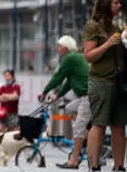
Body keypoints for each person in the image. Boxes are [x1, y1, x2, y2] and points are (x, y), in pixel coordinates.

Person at [83, 0, 127, 172]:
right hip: (101, 81)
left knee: (119, 125)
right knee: (99, 123)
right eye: (115, 3)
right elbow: (89, 56)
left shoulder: (115, 27)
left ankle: (119, 165)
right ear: (106, 5)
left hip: (119, 81)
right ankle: (93, 165)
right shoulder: (93, 26)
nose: (119, 6)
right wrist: (108, 44)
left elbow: (123, 54)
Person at [39, 36, 90, 170]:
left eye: (59, 46)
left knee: (78, 129)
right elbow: (68, 82)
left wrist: (45, 92)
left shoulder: (70, 58)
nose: (58, 49)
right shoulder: (75, 57)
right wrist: (57, 95)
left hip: (88, 97)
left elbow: (58, 77)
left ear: (66, 47)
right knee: (68, 108)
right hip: (84, 97)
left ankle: (73, 161)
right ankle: (86, 134)